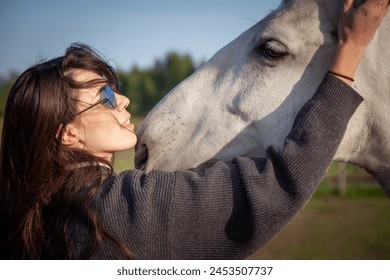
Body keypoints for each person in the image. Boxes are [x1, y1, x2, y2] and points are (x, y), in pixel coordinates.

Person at [0, 0, 388, 260]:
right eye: (103, 97)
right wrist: (349, 53)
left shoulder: (43, 216)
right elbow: (274, 189)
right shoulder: (111, 212)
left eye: (113, 91)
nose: (124, 103)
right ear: (67, 133)